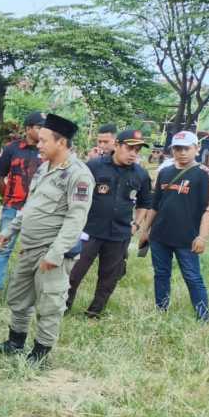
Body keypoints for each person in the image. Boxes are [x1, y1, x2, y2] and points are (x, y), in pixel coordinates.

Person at [0, 114, 94, 366]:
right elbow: (31, 206)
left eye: (44, 140)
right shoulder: (44, 167)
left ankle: (40, 354)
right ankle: (14, 343)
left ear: (61, 142)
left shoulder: (78, 175)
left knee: (50, 303)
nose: (38, 144)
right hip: (29, 247)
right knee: (19, 296)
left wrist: (55, 254)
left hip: (51, 251)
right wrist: (10, 230)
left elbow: (75, 220)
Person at [66, 128, 152, 318]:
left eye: (137, 150)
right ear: (117, 146)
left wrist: (136, 224)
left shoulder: (141, 174)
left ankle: (94, 311)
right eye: (129, 148)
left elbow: (145, 203)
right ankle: (63, 307)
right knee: (74, 272)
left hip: (119, 233)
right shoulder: (94, 166)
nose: (133, 154)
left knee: (109, 277)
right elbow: (76, 194)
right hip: (89, 230)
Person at [138, 130, 209, 321]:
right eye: (177, 148)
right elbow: (155, 205)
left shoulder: (204, 174)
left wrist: (202, 237)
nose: (182, 152)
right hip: (160, 236)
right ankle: (161, 312)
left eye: (186, 148)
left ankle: (203, 317)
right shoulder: (164, 172)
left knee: (192, 277)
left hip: (187, 239)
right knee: (161, 274)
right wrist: (145, 230)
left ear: (196, 149)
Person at [0, 111, 44, 291]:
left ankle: (24, 290)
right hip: (12, 207)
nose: (42, 131)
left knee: (33, 252)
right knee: (3, 248)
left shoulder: (46, 151)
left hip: (38, 211)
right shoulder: (12, 148)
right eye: (39, 127)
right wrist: (7, 196)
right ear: (28, 129)